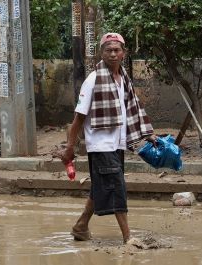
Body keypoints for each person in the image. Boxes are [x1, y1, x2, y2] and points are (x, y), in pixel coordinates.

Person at [62, 32, 156, 245]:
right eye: (108, 50)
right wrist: (70, 147)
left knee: (101, 186)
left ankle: (80, 227)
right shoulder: (93, 79)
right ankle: (128, 237)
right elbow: (79, 117)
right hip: (100, 144)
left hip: (117, 143)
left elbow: (131, 109)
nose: (113, 54)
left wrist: (147, 134)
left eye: (117, 50)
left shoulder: (123, 78)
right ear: (101, 53)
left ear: (124, 53)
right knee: (116, 187)